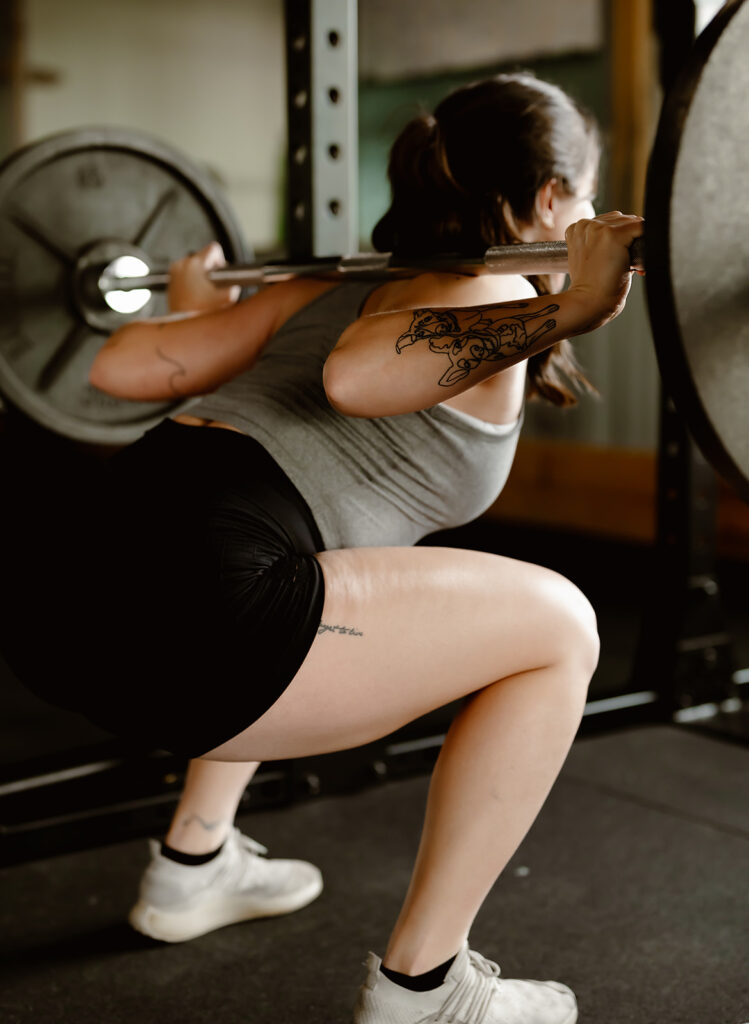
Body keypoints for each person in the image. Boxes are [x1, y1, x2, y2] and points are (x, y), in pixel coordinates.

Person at [1, 72, 643, 1024]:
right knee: (561, 626)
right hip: (205, 619)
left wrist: (181, 311)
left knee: (321, 570)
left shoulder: (320, 287)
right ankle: (425, 988)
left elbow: (119, 363)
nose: (586, 216)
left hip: (63, 600)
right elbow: (354, 375)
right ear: (551, 199)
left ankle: (193, 864)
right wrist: (568, 308)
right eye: (583, 196)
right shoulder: (498, 286)